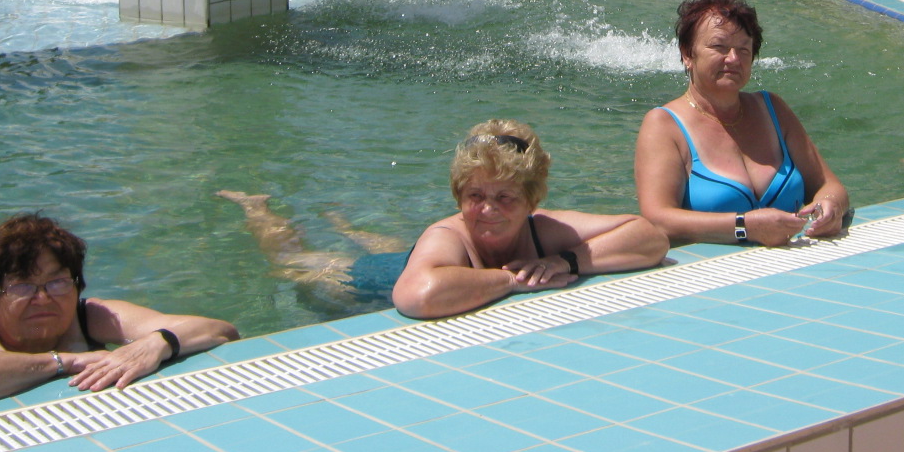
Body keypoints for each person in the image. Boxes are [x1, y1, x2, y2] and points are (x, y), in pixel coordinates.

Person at [219, 120, 667, 319]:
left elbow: (649, 237)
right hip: (368, 280)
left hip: (418, 260)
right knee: (293, 262)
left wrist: (563, 262)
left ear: (532, 199)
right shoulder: (445, 235)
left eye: (505, 197)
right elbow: (414, 295)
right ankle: (256, 207)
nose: (488, 210)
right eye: (475, 196)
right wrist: (511, 280)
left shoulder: (544, 228)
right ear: (458, 194)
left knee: (401, 250)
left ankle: (348, 227)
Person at [0, 213, 238, 407]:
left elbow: (220, 331)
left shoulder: (89, 315)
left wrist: (156, 344)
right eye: (23, 286)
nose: (43, 298)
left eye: (57, 283)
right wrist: (66, 362)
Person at [635, 0, 850, 246]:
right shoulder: (664, 125)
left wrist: (830, 207)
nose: (733, 59)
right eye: (719, 47)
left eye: (743, 49)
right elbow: (658, 219)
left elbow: (829, 186)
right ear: (687, 54)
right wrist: (744, 227)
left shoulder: (773, 109)